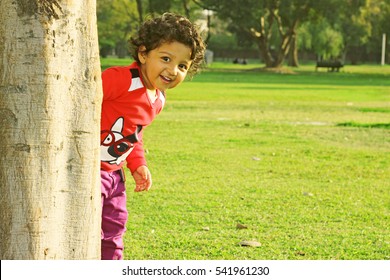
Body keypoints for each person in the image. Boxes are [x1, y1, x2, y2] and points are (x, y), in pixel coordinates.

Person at [100, 12, 205, 260]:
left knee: (114, 230)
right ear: (143, 54)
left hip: (115, 175)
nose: (172, 70)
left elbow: (135, 134)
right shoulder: (121, 79)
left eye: (182, 66)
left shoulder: (158, 99)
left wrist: (138, 165)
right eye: (165, 58)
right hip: (88, 172)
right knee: (84, 226)